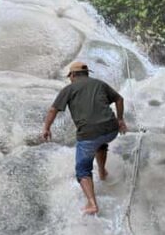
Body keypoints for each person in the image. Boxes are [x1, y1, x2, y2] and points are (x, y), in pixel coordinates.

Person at [42, 61, 127, 215]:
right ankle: (102, 171)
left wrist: (47, 128)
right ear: (87, 73)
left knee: (82, 169)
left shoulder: (68, 89)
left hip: (89, 134)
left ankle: (92, 203)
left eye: (70, 77)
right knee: (100, 143)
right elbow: (119, 99)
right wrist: (120, 120)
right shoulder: (100, 84)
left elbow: (53, 110)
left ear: (72, 75)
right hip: (111, 130)